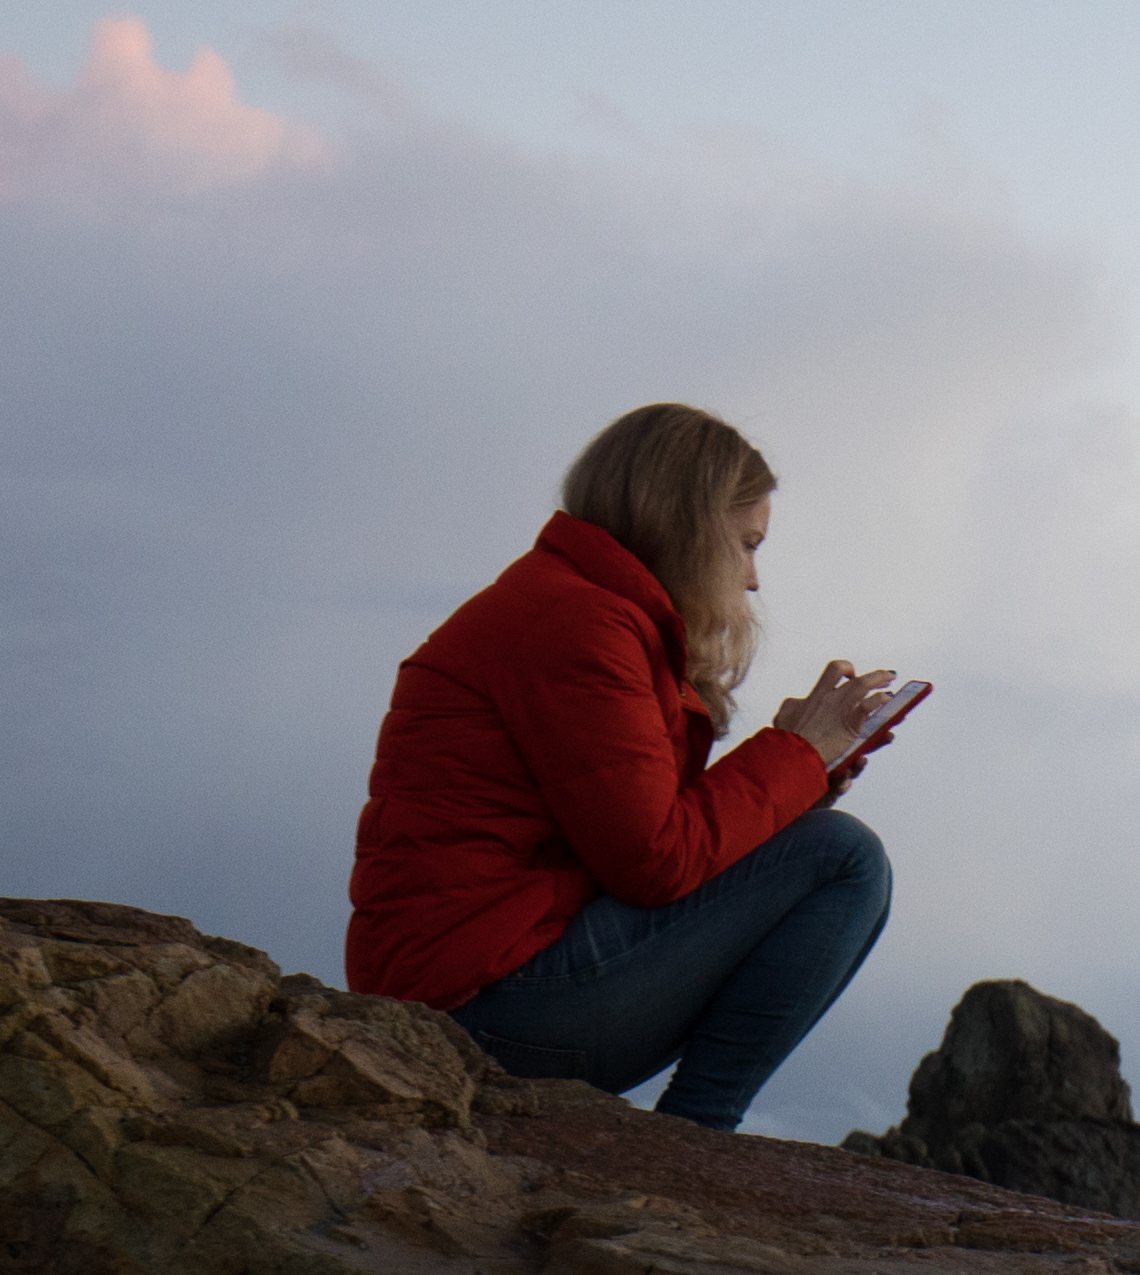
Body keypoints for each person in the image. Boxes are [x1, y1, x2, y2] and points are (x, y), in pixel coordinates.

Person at [346, 402, 922, 1131]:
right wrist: (796, 756)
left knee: (820, 846)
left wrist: (798, 781)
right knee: (846, 860)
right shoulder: (578, 624)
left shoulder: (581, 609)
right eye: (745, 545)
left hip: (476, 983)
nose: (750, 579)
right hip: (480, 1004)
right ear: (690, 527)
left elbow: (631, 828)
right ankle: (695, 1137)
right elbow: (654, 860)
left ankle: (690, 1139)